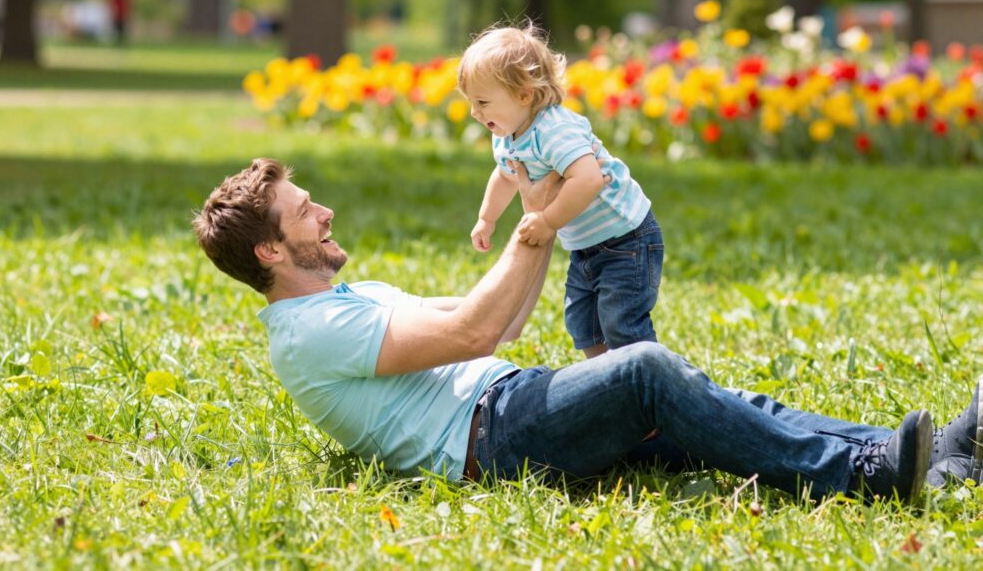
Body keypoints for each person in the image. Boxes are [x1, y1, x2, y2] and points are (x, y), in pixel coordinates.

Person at [193, 157, 982, 504]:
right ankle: (871, 476)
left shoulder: (346, 298)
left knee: (721, 410)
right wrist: (530, 229)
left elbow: (491, 325)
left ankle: (936, 455)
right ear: (270, 250)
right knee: (647, 372)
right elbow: (473, 332)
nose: (324, 210)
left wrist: (550, 214)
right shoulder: (308, 335)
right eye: (305, 211)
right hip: (495, 442)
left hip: (516, 400)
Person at [459, 24, 663, 359]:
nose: (474, 112)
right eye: (470, 102)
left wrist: (547, 220)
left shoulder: (555, 129)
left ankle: (649, 378)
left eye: (482, 101)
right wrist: (487, 218)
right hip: (586, 246)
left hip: (627, 238)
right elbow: (505, 174)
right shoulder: (507, 134)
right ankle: (605, 382)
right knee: (583, 325)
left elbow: (588, 179)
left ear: (524, 95)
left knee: (621, 324)